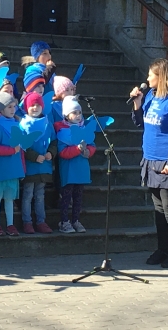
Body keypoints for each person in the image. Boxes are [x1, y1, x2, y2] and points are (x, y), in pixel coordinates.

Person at [130, 58, 168, 269]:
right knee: (158, 206)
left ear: (161, 76)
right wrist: (137, 103)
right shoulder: (150, 96)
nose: (147, 79)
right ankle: (162, 249)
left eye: (151, 75)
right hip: (151, 158)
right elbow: (141, 123)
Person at [54, 96, 95, 234]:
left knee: (78, 197)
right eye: (74, 113)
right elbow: (62, 152)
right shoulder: (62, 132)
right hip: (69, 170)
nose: (78, 115)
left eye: (79, 112)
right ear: (66, 115)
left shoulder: (84, 129)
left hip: (81, 168)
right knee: (66, 197)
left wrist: (89, 151)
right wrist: (77, 149)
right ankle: (64, 221)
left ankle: (76, 220)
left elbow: (92, 145)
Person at [0, 92, 25, 237]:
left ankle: (10, 224)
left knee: (9, 198)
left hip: (14, 169)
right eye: (9, 107)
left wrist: (22, 168)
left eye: (14, 106)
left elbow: (21, 149)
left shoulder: (18, 125)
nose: (13, 109)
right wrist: (11, 150)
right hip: (1, 169)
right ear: (1, 109)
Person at [20, 92, 56, 234]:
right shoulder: (23, 124)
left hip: (44, 167)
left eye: (38, 105)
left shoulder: (48, 124)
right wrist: (34, 156)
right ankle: (27, 222)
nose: (35, 108)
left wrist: (51, 153)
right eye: (32, 105)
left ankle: (41, 221)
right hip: (30, 167)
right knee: (28, 195)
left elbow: (54, 142)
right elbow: (22, 145)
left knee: (40, 195)